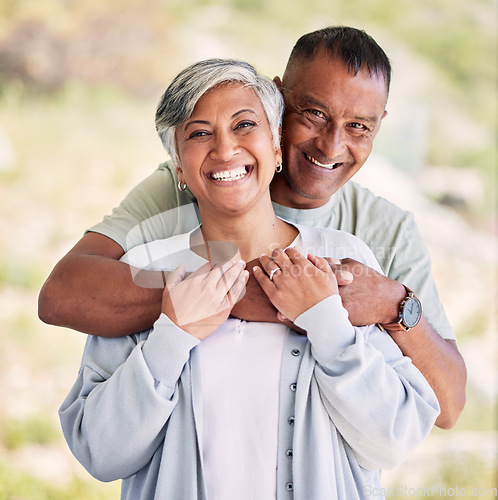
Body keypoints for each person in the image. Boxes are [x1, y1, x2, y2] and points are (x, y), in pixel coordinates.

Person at [39, 26, 466, 429]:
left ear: (379, 125)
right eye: (314, 114)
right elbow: (62, 294)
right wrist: (237, 293)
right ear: (278, 102)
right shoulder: (196, 179)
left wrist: (394, 304)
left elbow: (445, 408)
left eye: (359, 126)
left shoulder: (385, 231)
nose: (332, 145)